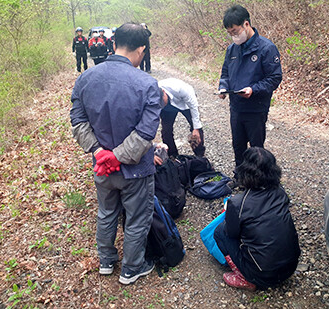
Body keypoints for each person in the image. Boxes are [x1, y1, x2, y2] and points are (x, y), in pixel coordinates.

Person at [70, 23, 162, 285]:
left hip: (103, 168)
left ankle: (107, 261)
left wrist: (100, 152)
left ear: (114, 43)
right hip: (136, 169)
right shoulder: (147, 83)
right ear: (141, 49)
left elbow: (77, 121)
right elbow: (146, 132)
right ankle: (133, 267)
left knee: (106, 212)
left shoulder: (85, 78)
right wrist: (119, 156)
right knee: (136, 218)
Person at [214, 147, 300, 290]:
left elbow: (232, 233)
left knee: (220, 231)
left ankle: (245, 277)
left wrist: (232, 215)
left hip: (262, 276)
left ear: (245, 171)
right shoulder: (280, 192)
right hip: (290, 267)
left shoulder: (238, 203)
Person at [218, 5, 282, 169]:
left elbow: (274, 77)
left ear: (246, 24)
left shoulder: (266, 48)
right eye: (230, 33)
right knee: (238, 146)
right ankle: (240, 177)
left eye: (235, 31)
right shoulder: (232, 49)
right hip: (236, 107)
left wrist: (254, 89)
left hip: (256, 108)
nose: (233, 36)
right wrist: (223, 87)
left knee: (256, 149)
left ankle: (259, 183)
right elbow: (225, 72)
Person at [158, 78, 205, 158]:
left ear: (163, 92)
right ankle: (173, 156)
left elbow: (194, 107)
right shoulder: (153, 94)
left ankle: (200, 155)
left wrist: (196, 128)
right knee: (166, 131)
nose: (162, 104)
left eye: (162, 101)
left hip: (185, 103)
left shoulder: (180, 88)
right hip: (168, 109)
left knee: (196, 128)